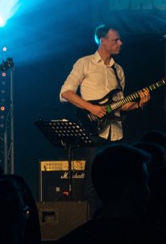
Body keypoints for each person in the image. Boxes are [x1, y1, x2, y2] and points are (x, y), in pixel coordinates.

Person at [60, 24, 151, 213]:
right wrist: (91, 107)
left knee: (118, 181)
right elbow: (66, 93)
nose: (120, 43)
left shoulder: (119, 70)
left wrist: (139, 104)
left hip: (116, 133)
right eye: (116, 40)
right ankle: (96, 219)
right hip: (93, 131)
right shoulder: (84, 63)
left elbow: (120, 104)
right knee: (93, 183)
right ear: (102, 40)